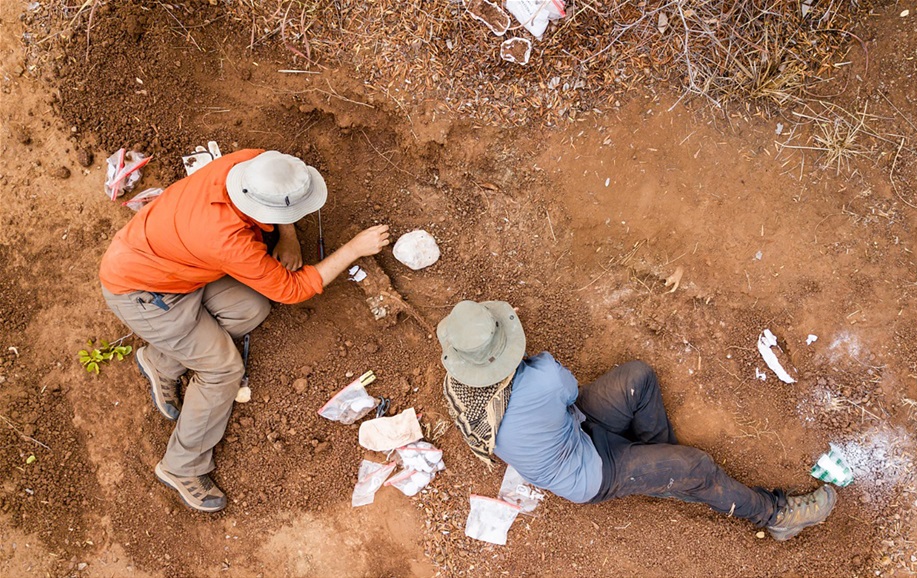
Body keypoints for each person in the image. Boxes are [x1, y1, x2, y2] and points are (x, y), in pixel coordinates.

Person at [99, 149, 389, 512]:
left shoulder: (251, 164)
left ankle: (162, 363)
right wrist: (352, 250)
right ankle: (182, 466)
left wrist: (290, 237)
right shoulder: (226, 240)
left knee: (250, 307)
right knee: (223, 370)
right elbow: (293, 290)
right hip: (144, 294)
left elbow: (278, 197)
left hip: (173, 267)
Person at [436, 300, 837, 541]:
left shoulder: (463, 388)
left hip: (572, 431)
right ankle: (776, 516)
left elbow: (559, 403)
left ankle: (661, 466)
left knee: (637, 378)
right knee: (696, 466)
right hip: (588, 473)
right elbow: (569, 390)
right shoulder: (542, 378)